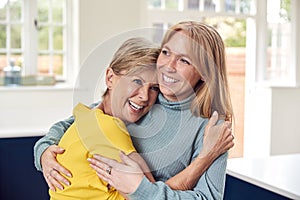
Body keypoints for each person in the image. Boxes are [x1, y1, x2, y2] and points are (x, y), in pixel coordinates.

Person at [34, 21, 234, 199]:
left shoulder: (211, 129)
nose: (168, 66)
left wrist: (141, 191)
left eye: (184, 60)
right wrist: (43, 151)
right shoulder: (143, 99)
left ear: (206, 73)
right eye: (166, 52)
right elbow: (76, 123)